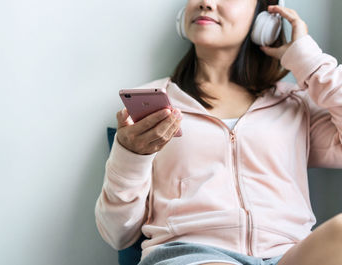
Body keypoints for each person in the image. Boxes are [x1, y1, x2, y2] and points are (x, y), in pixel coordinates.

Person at [95, 0, 342, 264]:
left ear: (264, 19)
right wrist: (130, 156)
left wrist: (309, 61)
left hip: (286, 256)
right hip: (192, 255)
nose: (206, 3)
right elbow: (117, 233)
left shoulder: (295, 104)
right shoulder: (153, 107)